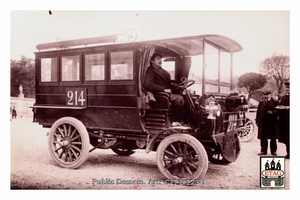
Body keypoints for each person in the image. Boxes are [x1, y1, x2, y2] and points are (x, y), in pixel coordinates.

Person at [144, 52, 185, 124]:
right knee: (179, 98)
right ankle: (178, 121)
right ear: (152, 61)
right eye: (157, 59)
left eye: (160, 59)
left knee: (185, 98)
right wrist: (163, 89)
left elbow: (168, 84)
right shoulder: (150, 71)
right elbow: (148, 85)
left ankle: (185, 121)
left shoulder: (163, 71)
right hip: (158, 94)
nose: (160, 61)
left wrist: (177, 87)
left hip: (165, 93)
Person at [256, 91, 279, 155]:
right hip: (263, 123)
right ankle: (263, 151)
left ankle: (273, 151)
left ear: (270, 95)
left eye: (267, 95)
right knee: (263, 137)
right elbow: (258, 113)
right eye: (264, 95)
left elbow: (279, 111)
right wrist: (257, 121)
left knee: (273, 138)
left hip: (272, 123)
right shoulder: (261, 103)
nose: (265, 96)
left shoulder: (275, 102)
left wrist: (273, 112)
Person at [277, 82, 290, 159]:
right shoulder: (283, 97)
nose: (288, 90)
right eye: (287, 88)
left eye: (289, 88)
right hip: (285, 120)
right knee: (286, 137)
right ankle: (289, 153)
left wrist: (288, 108)